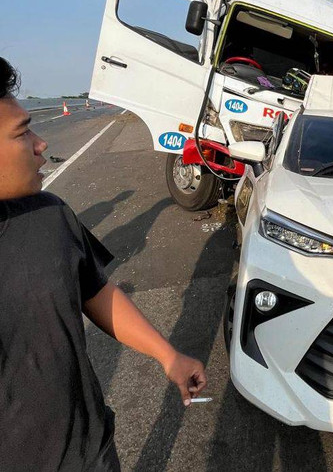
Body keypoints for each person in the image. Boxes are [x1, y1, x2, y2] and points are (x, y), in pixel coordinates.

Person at [0, 57, 207, 471]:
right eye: (22, 133)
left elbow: (94, 291)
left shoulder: (50, 214)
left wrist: (167, 355)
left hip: (91, 450)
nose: (41, 144)